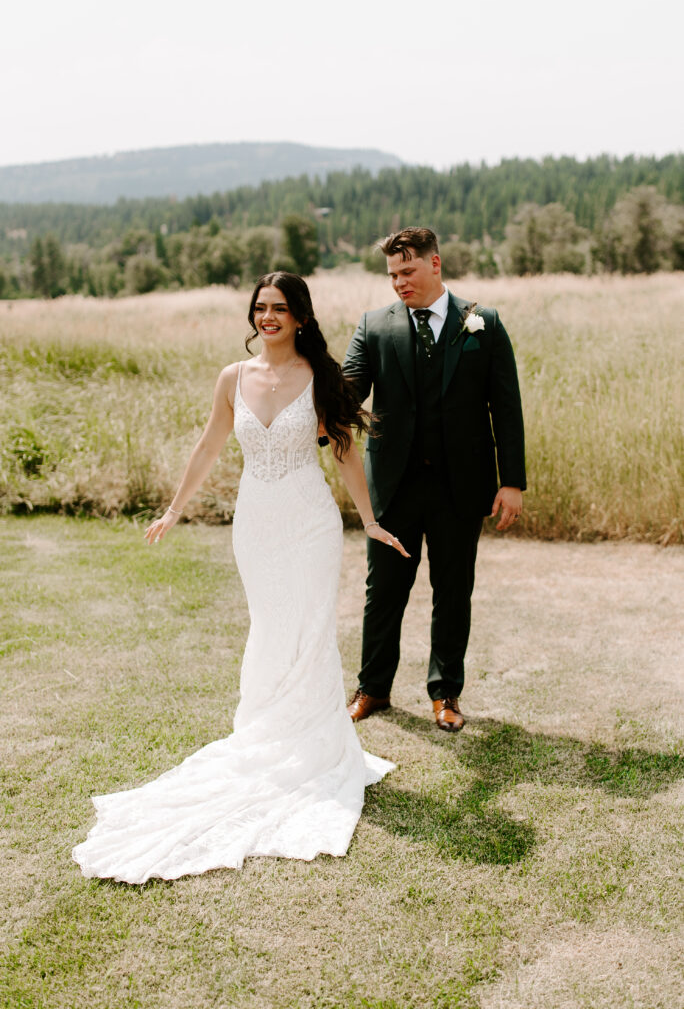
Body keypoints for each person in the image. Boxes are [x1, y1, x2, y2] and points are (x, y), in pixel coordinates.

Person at [72, 271, 408, 884]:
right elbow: (207, 446)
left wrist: (369, 520)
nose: (269, 318)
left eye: (280, 308)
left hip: (309, 522)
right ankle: (268, 734)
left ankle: (316, 746)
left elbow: (345, 453)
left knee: (308, 628)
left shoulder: (323, 377)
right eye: (260, 308)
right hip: (255, 523)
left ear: (301, 316)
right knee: (271, 625)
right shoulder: (234, 376)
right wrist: (174, 509)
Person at [343, 227, 526, 733]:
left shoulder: (481, 322)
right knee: (384, 592)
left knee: (452, 590)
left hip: (460, 486)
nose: (399, 282)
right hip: (394, 487)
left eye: (408, 271)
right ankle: (373, 689)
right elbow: (348, 392)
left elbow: (505, 407)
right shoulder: (374, 326)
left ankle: (446, 694)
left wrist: (511, 481)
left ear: (435, 263)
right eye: (392, 275)